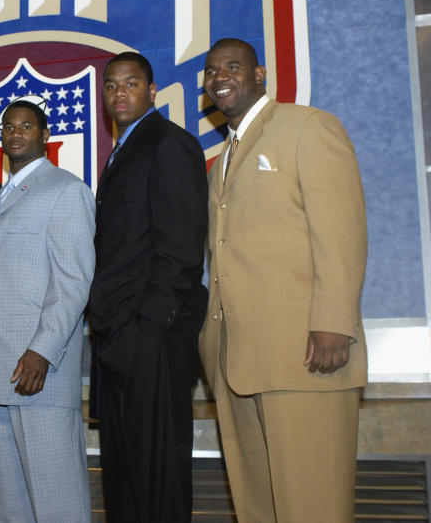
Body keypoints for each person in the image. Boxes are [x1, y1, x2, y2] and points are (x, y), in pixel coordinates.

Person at [198, 38, 367, 522]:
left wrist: (334, 321)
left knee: (313, 507)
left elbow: (342, 230)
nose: (220, 77)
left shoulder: (307, 128)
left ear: (259, 75)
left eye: (233, 66)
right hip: (237, 359)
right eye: (211, 71)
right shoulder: (222, 159)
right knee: (259, 508)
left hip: (306, 354)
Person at [0, 100, 95, 522]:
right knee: (13, 511)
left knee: (57, 504)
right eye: (8, 126)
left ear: (45, 135)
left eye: (26, 126)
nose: (15, 133)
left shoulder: (66, 190)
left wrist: (43, 351)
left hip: (38, 375)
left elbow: (74, 282)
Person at [86, 52, 208, 522]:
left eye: (130, 83)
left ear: (153, 91)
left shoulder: (170, 143)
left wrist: (147, 326)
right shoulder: (120, 153)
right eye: (111, 85)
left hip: (151, 337)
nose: (119, 93)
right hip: (117, 335)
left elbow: (180, 247)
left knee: (157, 477)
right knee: (122, 473)